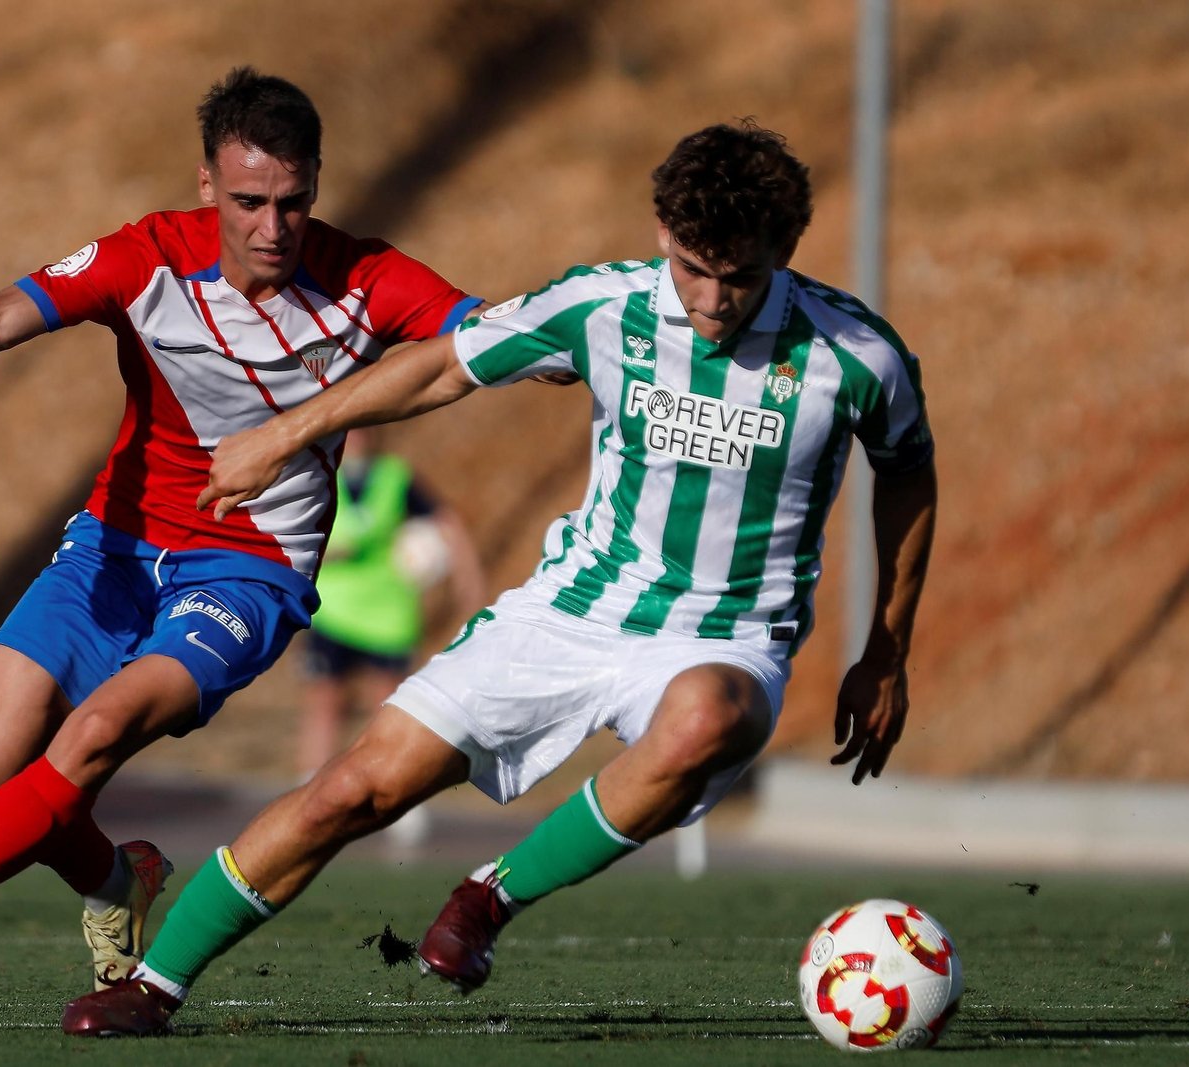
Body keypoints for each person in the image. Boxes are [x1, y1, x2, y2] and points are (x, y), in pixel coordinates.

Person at [57, 120, 937, 1037]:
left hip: (725, 639)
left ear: (786, 251)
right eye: (694, 269)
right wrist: (283, 435)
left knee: (712, 714)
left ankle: (489, 896)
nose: (714, 301)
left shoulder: (857, 355)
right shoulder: (605, 306)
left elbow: (910, 471)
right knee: (353, 788)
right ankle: (154, 984)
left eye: (741, 276)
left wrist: (887, 647)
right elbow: (443, 366)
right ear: (664, 237)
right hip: (567, 610)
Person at [0, 68, 481, 991]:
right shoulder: (147, 257)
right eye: (248, 202)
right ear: (207, 186)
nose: (273, 228)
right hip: (114, 544)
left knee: (101, 727)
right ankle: (119, 878)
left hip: (249, 568)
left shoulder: (368, 280)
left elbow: (485, 341)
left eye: (293, 201)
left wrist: (576, 341)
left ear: (316, 182)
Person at [299, 426, 485, 780]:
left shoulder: (394, 477)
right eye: (349, 433)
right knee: (326, 702)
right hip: (332, 610)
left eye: (364, 432)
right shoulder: (319, 475)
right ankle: (306, 785)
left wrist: (468, 583)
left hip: (387, 615)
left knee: (386, 706)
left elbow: (447, 524)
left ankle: (386, 783)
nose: (357, 439)